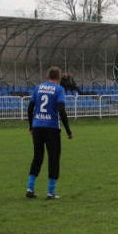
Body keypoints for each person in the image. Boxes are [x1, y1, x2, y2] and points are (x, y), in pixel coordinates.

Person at [26, 66, 73, 199]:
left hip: (37, 126)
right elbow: (62, 111)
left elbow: (30, 108)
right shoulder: (59, 89)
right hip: (52, 127)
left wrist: (31, 126)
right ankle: (51, 192)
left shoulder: (38, 88)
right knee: (53, 158)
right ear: (59, 77)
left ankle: (30, 188)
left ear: (48, 76)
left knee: (37, 157)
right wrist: (68, 131)